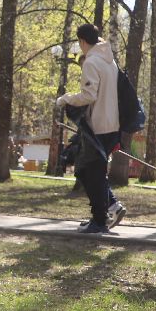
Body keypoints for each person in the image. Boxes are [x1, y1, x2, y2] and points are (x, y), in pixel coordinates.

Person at [57, 24, 126, 234]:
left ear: (82, 41)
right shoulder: (109, 62)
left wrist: (66, 99)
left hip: (97, 127)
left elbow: (89, 96)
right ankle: (107, 209)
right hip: (111, 124)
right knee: (91, 171)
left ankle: (99, 220)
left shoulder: (91, 62)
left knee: (87, 171)